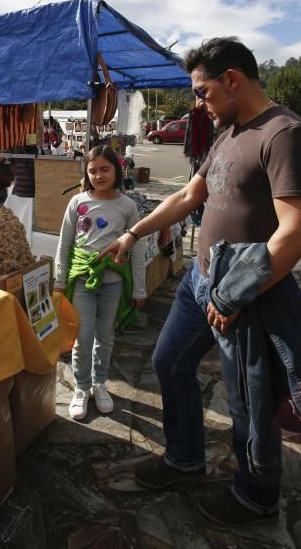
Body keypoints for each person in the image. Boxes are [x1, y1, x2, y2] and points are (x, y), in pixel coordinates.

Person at [100, 37, 301, 526]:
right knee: (169, 361)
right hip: (201, 280)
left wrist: (235, 294)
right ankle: (184, 458)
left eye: (202, 91)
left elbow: (294, 233)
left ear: (232, 79)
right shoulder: (228, 132)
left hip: (248, 293)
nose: (198, 103)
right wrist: (133, 232)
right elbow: (192, 195)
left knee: (248, 401)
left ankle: (256, 495)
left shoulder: (283, 132)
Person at [55, 145, 146, 421]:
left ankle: (99, 383)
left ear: (116, 170)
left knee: (105, 336)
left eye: (105, 169)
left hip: (114, 281)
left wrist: (139, 287)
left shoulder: (127, 206)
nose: (98, 175)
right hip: (82, 278)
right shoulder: (77, 203)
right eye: (92, 171)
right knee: (82, 336)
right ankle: (81, 388)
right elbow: (65, 243)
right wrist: (59, 281)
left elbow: (137, 249)